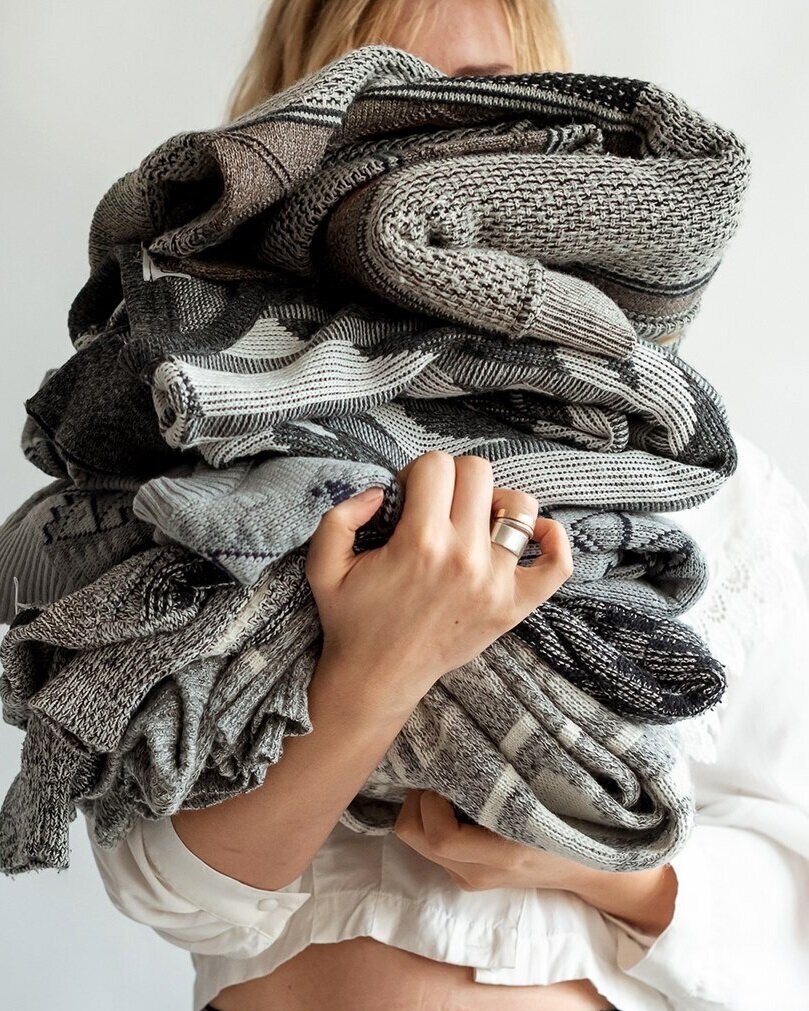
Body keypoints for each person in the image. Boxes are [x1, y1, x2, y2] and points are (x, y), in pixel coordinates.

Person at [87, 2, 809, 1010]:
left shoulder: (690, 480)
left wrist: (588, 862)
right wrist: (378, 672)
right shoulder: (195, 447)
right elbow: (164, 887)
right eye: (380, 107)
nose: (429, 154)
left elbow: (794, 882)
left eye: (482, 101)